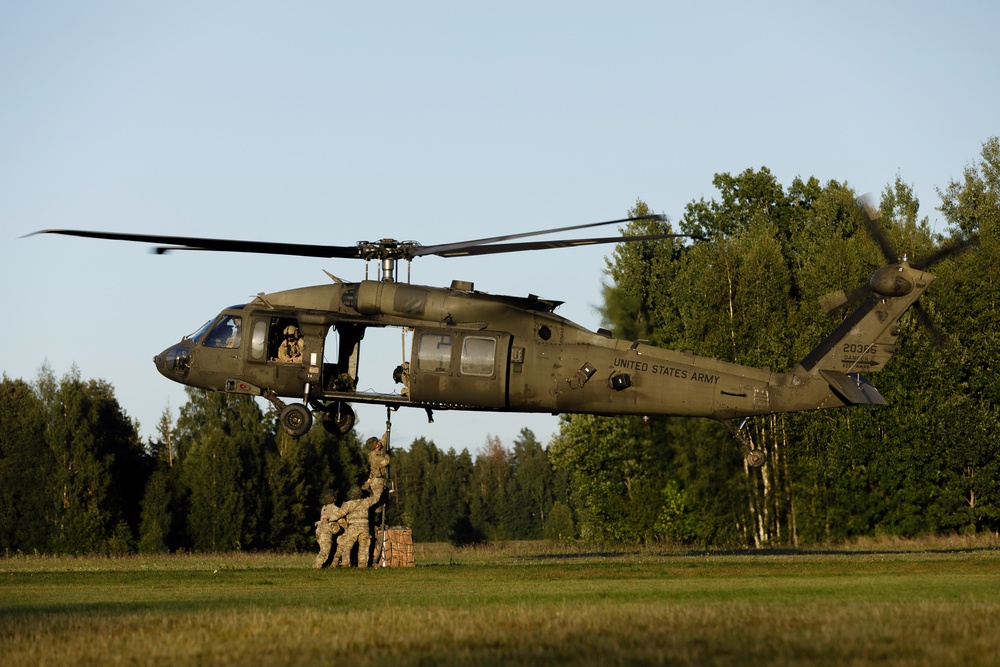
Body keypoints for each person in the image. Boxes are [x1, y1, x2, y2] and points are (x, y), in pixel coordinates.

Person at [330, 487, 377, 567]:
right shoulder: (366, 501)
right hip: (365, 527)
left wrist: (329, 519)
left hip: (353, 528)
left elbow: (339, 514)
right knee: (364, 548)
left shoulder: (348, 504)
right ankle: (362, 566)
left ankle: (345, 564)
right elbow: (376, 498)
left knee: (347, 547)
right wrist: (371, 487)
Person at [314, 490, 347, 569]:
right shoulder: (335, 509)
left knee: (323, 549)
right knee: (325, 551)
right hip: (326, 532)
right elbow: (341, 521)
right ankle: (317, 566)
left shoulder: (324, 508)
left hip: (319, 530)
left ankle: (324, 565)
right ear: (334, 499)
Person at [361, 433, 390, 506]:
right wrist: (387, 454)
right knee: (376, 499)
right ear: (375, 446)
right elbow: (386, 462)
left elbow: (383, 440)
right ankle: (362, 506)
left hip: (380, 479)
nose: (379, 442)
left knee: (381, 500)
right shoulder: (374, 456)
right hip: (377, 481)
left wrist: (387, 431)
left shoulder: (378, 449)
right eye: (377, 442)